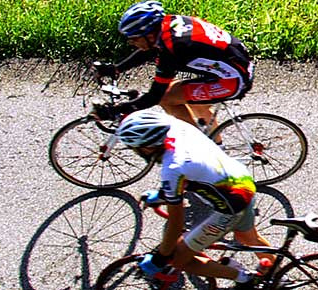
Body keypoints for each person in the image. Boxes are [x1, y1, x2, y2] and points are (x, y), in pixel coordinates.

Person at [114, 111, 274, 288]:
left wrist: (160, 257)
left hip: (230, 205)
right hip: (242, 180)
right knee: (248, 237)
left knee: (178, 258)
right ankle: (276, 277)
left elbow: (176, 222)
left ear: (147, 147)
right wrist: (163, 194)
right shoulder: (178, 127)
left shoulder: (172, 168)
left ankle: (245, 279)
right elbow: (194, 169)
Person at [93, 0, 254, 132]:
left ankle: (201, 148)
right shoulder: (168, 25)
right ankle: (216, 147)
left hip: (234, 79)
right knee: (189, 99)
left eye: (133, 39)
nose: (131, 43)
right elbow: (149, 50)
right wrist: (117, 68)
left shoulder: (173, 50)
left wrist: (118, 109)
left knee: (167, 98)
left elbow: (155, 96)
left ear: (149, 34)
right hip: (234, 65)